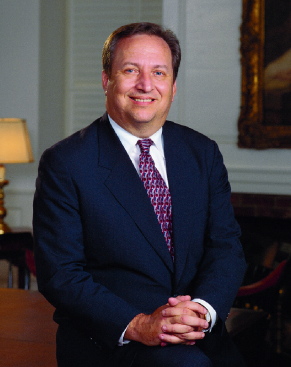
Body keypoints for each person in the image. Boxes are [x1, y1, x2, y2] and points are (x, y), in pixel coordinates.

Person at [33, 22, 247, 367]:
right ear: (107, 80)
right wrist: (141, 324)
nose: (146, 85)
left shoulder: (201, 152)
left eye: (159, 72)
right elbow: (61, 274)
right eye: (131, 70)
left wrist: (203, 312)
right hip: (112, 341)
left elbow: (226, 247)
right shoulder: (67, 162)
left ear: (173, 86)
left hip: (198, 334)